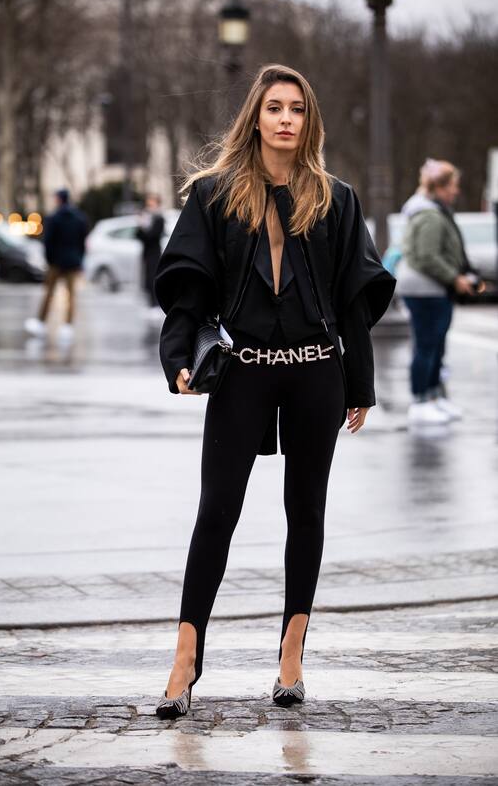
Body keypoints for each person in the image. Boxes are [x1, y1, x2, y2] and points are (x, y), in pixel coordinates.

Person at [153, 64, 396, 719]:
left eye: (296, 108)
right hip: (245, 371)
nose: (285, 118)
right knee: (217, 512)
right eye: (274, 108)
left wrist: (360, 383)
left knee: (306, 512)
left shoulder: (335, 198)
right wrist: (179, 356)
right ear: (255, 118)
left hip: (316, 370)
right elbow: (190, 286)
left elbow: (352, 301)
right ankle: (185, 655)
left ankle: (292, 652)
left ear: (308, 121)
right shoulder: (215, 194)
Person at [396, 159, 485, 425]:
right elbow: (427, 256)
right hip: (425, 290)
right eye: (453, 186)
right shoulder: (430, 215)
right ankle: (421, 400)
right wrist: (454, 278)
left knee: (434, 345)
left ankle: (433, 397)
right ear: (440, 186)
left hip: (429, 290)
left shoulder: (431, 211)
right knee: (427, 347)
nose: (456, 191)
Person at [24, 188, 88, 342]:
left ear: (59, 200)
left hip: (57, 262)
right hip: (73, 262)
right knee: (71, 296)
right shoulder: (80, 218)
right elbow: (82, 242)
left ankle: (41, 322)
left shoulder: (54, 218)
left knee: (48, 293)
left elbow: (48, 242)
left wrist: (50, 259)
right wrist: (79, 259)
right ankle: (68, 325)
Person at [135, 192, 165, 321]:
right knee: (147, 278)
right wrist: (142, 226)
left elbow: (153, 236)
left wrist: (145, 227)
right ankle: (150, 304)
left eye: (152, 203)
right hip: (146, 253)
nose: (149, 205)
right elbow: (138, 236)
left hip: (154, 253)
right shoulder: (146, 218)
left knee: (153, 278)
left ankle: (156, 305)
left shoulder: (159, 218)